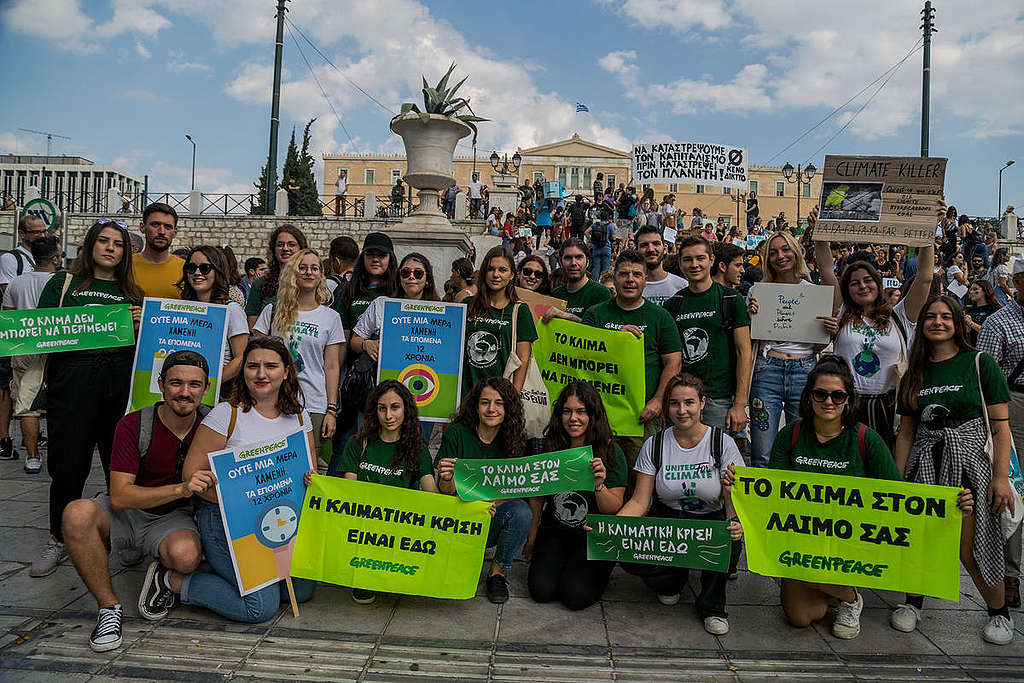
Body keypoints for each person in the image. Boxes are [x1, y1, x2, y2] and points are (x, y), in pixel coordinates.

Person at [62, 352, 211, 651]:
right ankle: (108, 609)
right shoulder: (133, 424)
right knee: (76, 513)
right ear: (160, 385)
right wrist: (181, 489)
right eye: (176, 383)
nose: (185, 392)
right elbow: (120, 495)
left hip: (171, 519)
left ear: (206, 388)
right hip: (127, 512)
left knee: (185, 556)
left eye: (194, 384)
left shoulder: (212, 424)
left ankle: (162, 573)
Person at [760, 356, 909, 639]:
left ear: (849, 399)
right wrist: (739, 486)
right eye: (820, 394)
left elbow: (898, 494)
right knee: (801, 618)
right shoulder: (790, 436)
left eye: (838, 395)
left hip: (849, 543)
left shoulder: (866, 439)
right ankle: (834, 591)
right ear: (809, 397)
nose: (829, 402)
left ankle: (849, 597)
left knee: (808, 608)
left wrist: (951, 504)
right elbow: (771, 492)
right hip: (802, 540)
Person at [892, 296, 1013, 644]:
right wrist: (898, 481)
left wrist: (1001, 478)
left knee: (970, 543)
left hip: (969, 463)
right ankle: (913, 602)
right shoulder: (914, 370)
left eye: (946, 316)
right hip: (926, 463)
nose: (938, 322)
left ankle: (998, 612)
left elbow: (1000, 427)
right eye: (930, 316)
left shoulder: (979, 363)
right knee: (921, 536)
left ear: (958, 322)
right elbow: (907, 432)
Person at [31, 219, 144, 578]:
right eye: (104, 241)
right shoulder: (63, 284)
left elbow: (148, 348)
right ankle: (59, 538)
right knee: (68, 466)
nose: (110, 248)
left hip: (118, 389)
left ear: (126, 252)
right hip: (73, 387)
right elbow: (42, 332)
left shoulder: (133, 293)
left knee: (120, 468)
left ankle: (125, 537)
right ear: (90, 246)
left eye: (118, 244)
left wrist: (143, 324)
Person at [182, 336, 316, 622]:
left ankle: (222, 571)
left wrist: (308, 479)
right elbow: (191, 474)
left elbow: (310, 473)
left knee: (300, 591)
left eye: (270, 366)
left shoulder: (300, 416)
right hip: (226, 521)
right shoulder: (226, 414)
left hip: (279, 521)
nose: (261, 374)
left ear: (286, 371)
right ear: (243, 371)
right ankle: (175, 582)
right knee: (259, 608)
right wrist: (236, 502)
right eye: (252, 366)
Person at [618, 374, 744, 634]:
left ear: (702, 403)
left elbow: (734, 501)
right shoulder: (654, 445)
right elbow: (640, 501)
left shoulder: (723, 444)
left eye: (689, 402)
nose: (682, 410)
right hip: (668, 519)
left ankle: (712, 606)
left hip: (710, 519)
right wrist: (612, 527)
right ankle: (670, 581)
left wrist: (735, 522)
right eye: (674, 403)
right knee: (627, 553)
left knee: (727, 535)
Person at [814, 207, 936, 448]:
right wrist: (820, 230)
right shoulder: (841, 313)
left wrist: (929, 229)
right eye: (854, 283)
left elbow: (925, 277)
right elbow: (827, 270)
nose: (862, 286)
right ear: (847, 289)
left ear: (878, 284)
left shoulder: (900, 315)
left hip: (888, 407)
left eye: (868, 280)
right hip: (846, 404)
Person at [323, 380, 438, 603]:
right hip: (365, 525)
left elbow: (431, 493)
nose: (388, 415)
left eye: (395, 407)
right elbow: (350, 492)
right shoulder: (358, 444)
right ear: (374, 411)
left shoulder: (417, 448)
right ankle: (362, 573)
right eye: (382, 408)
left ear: (406, 409)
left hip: (399, 525)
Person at [526, 382, 627, 610]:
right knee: (541, 591)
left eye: (581, 411)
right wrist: (532, 537)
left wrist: (599, 485)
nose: (574, 418)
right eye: (567, 411)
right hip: (555, 532)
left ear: (593, 415)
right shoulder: (550, 447)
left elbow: (613, 507)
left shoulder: (610, 451)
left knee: (575, 597)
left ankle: (599, 568)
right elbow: (537, 497)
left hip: (591, 536)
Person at [583, 250, 682, 474]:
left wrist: (657, 401)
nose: (630, 279)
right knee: (597, 474)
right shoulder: (595, 315)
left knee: (642, 475)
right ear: (614, 277)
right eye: (624, 274)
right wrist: (616, 337)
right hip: (599, 413)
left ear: (645, 280)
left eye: (637, 274)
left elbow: (673, 363)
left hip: (641, 415)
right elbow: (582, 357)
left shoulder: (660, 317)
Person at [747, 231, 838, 467]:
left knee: (802, 451)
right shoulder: (757, 292)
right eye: (773, 252)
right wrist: (751, 317)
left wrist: (830, 330)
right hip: (767, 371)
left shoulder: (813, 291)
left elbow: (819, 344)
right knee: (762, 453)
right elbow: (750, 339)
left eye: (786, 249)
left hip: (805, 368)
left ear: (796, 253)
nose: (780, 256)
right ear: (766, 258)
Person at [437, 377, 531, 604]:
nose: (491, 409)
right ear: (475, 406)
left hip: (493, 514)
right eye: (485, 402)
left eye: (499, 403)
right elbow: (444, 492)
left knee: (521, 511)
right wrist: (447, 478)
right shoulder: (456, 434)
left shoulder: (515, 439)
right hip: (458, 516)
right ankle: (462, 556)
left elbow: (513, 488)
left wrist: (491, 505)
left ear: (508, 408)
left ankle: (497, 572)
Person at [254, 249, 344, 469]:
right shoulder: (272, 310)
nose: (308, 272)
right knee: (272, 462)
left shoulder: (331, 317)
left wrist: (331, 410)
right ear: (292, 273)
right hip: (273, 400)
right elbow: (255, 357)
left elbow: (331, 366)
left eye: (314, 268)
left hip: (313, 401)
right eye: (302, 267)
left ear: (321, 275)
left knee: (311, 467)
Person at [664, 236, 751, 436]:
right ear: (680, 263)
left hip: (719, 399)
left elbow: (744, 352)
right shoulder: (673, 304)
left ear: (711, 261)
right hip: (682, 399)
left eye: (700, 258)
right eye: (687, 259)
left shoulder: (730, 299)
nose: (694, 265)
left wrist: (739, 405)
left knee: (719, 461)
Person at [978, 256, 1024, 609]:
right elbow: (985, 380)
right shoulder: (999, 323)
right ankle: (1009, 575)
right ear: (1018, 283)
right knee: (1012, 490)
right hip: (1015, 405)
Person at [3, 234, 59, 473]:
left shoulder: (16, 282)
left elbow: (9, 317)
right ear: (55, 258)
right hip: (57, 346)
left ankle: (33, 457)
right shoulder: (62, 282)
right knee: (60, 401)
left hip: (24, 347)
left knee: (27, 406)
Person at [0, 215, 46, 461]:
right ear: (21, 233)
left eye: (43, 232)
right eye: (35, 232)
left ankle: (32, 445)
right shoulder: (11, 259)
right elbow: (9, 296)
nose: (41, 235)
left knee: (27, 395)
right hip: (22, 337)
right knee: (11, 390)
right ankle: (4, 439)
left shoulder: (32, 263)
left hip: (36, 337)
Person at [462, 246, 536, 396]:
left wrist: (512, 398)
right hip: (465, 393)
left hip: (500, 397)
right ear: (484, 273)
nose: (496, 274)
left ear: (511, 275)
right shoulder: (467, 305)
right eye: (491, 269)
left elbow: (523, 358)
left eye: (502, 270)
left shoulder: (520, 311)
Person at [177, 246, 249, 394]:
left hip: (218, 391)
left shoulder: (232, 310)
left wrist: (208, 384)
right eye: (191, 267)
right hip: (184, 390)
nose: (197, 273)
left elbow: (241, 358)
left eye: (205, 268)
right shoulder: (181, 309)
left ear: (218, 271)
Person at [245, 225, 308, 329]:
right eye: (280, 245)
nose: (285, 249)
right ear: (273, 249)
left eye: (291, 244)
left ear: (301, 249)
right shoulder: (260, 284)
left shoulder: (310, 283)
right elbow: (252, 326)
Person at [544, 238, 612, 322]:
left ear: (587, 261)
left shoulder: (601, 293)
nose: (573, 263)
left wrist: (570, 317)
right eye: (568, 258)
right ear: (561, 262)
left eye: (579, 257)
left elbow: (603, 331)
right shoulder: (556, 294)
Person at [132, 203, 184, 299]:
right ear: (142, 228)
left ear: (175, 232)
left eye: (168, 227)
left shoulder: (186, 269)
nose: (161, 232)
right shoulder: (125, 265)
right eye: (155, 225)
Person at [635, 226, 687, 306]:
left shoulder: (682, 286)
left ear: (665, 248)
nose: (651, 249)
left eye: (656, 244)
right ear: (636, 251)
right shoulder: (630, 287)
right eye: (644, 245)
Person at [964, 280, 1002, 345]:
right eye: (970, 290)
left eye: (975, 289)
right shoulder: (970, 310)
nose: (971, 292)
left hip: (988, 347)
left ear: (985, 291)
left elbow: (992, 332)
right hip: (972, 346)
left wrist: (971, 323)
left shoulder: (995, 309)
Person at [585, 206, 615, 280]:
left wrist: (590, 240)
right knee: (606, 269)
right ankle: (605, 285)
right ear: (607, 218)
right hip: (606, 248)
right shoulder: (609, 226)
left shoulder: (595, 225)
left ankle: (596, 283)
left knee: (596, 268)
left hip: (596, 248)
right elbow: (614, 237)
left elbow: (586, 232)